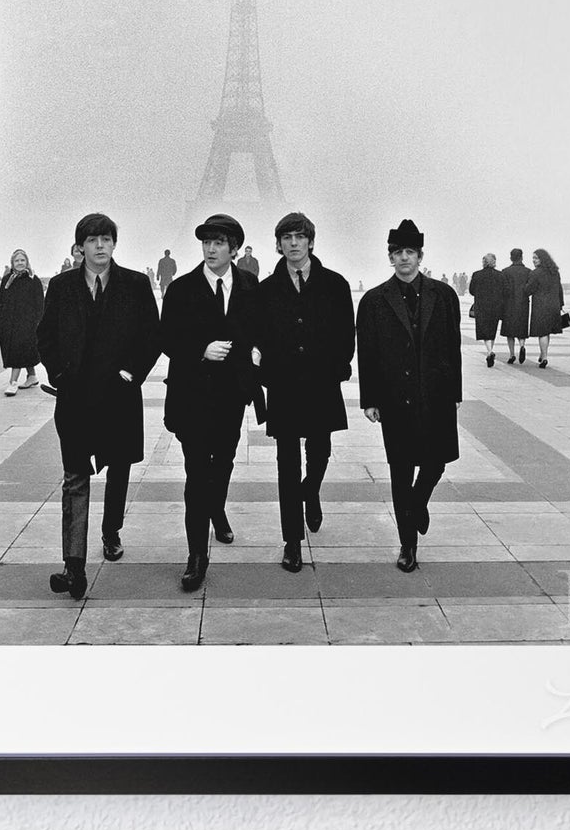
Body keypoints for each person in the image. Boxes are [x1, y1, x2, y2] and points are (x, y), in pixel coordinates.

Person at [36, 213, 160, 600]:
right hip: (75, 398)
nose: (100, 245)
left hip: (118, 396)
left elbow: (151, 336)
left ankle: (111, 530)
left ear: (114, 244)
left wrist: (131, 373)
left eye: (106, 238)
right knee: (75, 478)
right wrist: (59, 374)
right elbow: (45, 335)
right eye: (92, 240)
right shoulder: (61, 286)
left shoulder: (135, 284)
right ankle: (74, 566)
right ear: (80, 247)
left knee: (118, 469)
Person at [160, 214, 261, 592]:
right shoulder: (181, 288)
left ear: (234, 249)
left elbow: (260, 328)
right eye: (207, 242)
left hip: (232, 395)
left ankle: (216, 508)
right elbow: (166, 337)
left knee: (225, 461)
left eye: (219, 243)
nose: (211, 249)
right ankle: (196, 556)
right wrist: (199, 350)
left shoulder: (250, 285)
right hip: (192, 395)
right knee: (197, 472)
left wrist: (257, 352)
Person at [356, 219, 462, 572]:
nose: (404, 258)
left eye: (410, 252)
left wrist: (455, 391)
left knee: (436, 462)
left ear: (420, 256)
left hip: (436, 393)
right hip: (395, 396)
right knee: (400, 470)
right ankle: (407, 545)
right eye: (398, 252)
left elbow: (453, 346)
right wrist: (370, 399)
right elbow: (367, 353)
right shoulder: (373, 300)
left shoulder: (444, 295)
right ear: (390, 257)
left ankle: (417, 504)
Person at [255, 211, 354, 573]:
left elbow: (346, 332)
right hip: (284, 384)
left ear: (310, 241)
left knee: (320, 450)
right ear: (278, 244)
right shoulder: (266, 289)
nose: (293, 243)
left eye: (299, 236)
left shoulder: (335, 284)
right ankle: (292, 541)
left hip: (321, 381)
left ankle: (310, 490)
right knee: (286, 462)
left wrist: (338, 367)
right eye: (287, 237)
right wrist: (266, 372)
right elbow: (259, 335)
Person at [0, 250, 45, 395]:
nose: (20, 263)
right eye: (17, 260)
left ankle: (13, 382)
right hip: (9, 322)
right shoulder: (7, 280)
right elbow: (0, 300)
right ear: (12, 263)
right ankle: (32, 376)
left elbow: (40, 304)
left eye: (22, 260)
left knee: (17, 350)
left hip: (27, 323)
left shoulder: (33, 280)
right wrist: (1, 316)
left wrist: (37, 322)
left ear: (27, 262)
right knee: (23, 351)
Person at [526, 247, 566, 369]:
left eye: (536, 258)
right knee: (547, 332)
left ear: (542, 259)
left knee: (542, 332)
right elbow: (559, 289)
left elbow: (528, 290)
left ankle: (544, 357)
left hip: (541, 306)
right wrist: (560, 304)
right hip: (553, 305)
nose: (534, 260)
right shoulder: (555, 272)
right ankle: (543, 353)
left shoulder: (535, 273)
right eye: (533, 258)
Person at [468, 252, 504, 367]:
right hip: (495, 306)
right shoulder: (500, 275)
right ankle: (490, 351)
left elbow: (472, 291)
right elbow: (505, 291)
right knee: (492, 329)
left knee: (484, 330)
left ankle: (489, 351)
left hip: (481, 306)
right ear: (494, 262)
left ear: (483, 262)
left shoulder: (477, 275)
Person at [500, 248, 532, 364]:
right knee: (521, 328)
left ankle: (512, 354)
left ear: (511, 258)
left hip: (509, 304)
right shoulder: (528, 272)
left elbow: (503, 289)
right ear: (522, 257)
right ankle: (522, 346)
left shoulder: (505, 271)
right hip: (523, 303)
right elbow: (530, 288)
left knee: (509, 331)